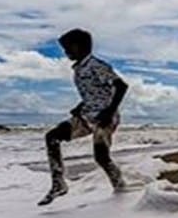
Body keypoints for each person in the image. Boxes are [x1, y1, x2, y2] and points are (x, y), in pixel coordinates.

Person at [39, 29, 129, 206]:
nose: (66, 53)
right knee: (52, 137)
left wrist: (109, 112)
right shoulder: (79, 69)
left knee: (101, 157)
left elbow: (121, 86)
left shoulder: (96, 65)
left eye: (67, 48)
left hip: (104, 117)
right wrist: (80, 107)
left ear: (78, 46)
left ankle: (121, 186)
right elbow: (94, 93)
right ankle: (58, 183)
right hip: (86, 115)